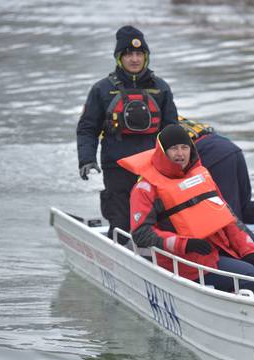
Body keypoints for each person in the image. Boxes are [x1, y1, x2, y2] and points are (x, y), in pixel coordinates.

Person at [118, 124, 254, 296]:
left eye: (184, 147)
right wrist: (185, 244)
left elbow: (228, 219)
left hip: (216, 248)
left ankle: (252, 307)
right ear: (162, 152)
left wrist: (249, 252)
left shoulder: (202, 175)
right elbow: (141, 233)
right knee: (249, 276)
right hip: (183, 259)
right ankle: (237, 309)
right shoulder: (145, 188)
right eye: (173, 149)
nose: (180, 154)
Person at [76, 25, 178, 240]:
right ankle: (118, 255)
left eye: (139, 54)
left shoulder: (161, 88)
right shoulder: (101, 89)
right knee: (121, 222)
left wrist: (178, 162)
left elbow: (172, 131)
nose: (134, 59)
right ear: (119, 58)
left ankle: (160, 261)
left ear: (146, 57)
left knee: (159, 217)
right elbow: (87, 128)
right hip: (117, 165)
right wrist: (86, 159)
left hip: (153, 167)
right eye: (128, 54)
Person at [178, 116, 254, 224]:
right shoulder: (166, 113)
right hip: (229, 148)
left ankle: (251, 240)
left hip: (211, 155)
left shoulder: (159, 124)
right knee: (243, 208)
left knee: (227, 220)